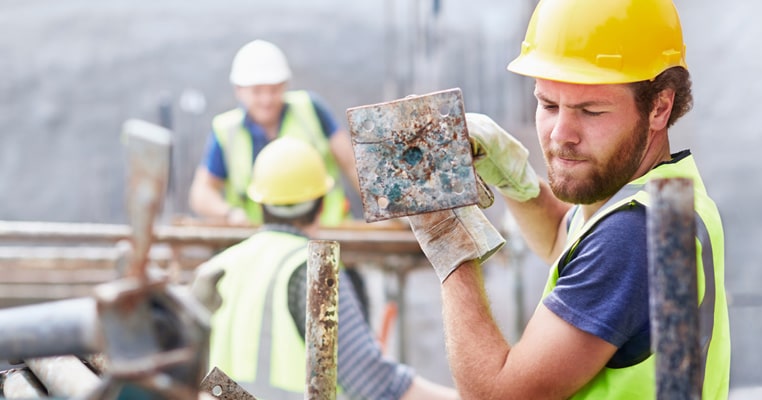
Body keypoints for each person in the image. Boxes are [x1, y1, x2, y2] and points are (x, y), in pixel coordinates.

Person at [405, 0, 730, 398]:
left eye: (591, 111)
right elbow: (567, 239)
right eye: (548, 104)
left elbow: (496, 393)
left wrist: (447, 235)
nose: (561, 134)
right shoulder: (664, 197)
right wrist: (517, 181)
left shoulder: (632, 235)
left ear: (660, 107)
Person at [191, 136, 458, 400]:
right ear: (321, 204)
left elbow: (196, 376)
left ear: (259, 203)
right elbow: (372, 383)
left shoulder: (218, 266)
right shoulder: (313, 271)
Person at [189, 39, 360, 227]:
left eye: (274, 89)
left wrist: (387, 206)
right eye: (257, 91)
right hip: (261, 244)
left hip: (326, 236)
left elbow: (353, 165)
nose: (267, 99)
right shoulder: (226, 131)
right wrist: (230, 214)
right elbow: (201, 193)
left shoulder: (310, 110)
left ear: (285, 85)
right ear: (239, 90)